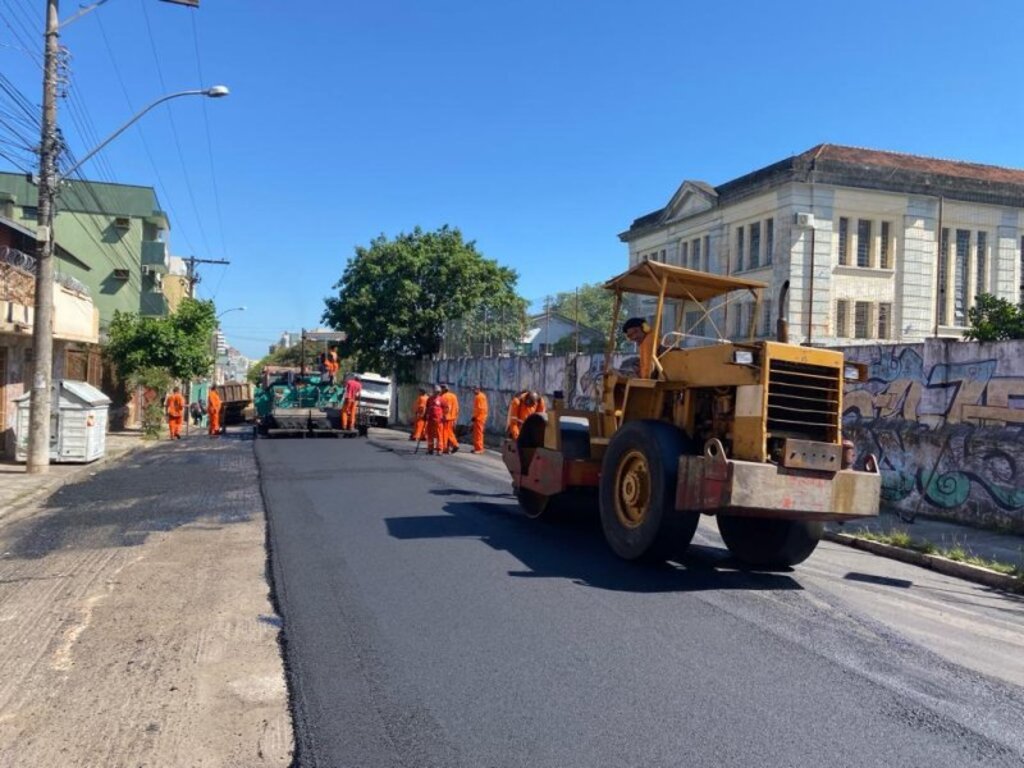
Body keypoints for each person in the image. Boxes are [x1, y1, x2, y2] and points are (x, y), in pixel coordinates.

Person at [440, 383, 460, 454]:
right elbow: (457, 408)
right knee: (449, 432)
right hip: (452, 418)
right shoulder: (454, 396)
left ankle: (452, 445)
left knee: (445, 433)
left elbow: (445, 408)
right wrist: (456, 418)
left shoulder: (443, 396)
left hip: (446, 417)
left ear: (443, 389)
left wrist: (443, 416)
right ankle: (448, 447)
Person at [425, 385, 444, 455]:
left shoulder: (441, 399)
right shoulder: (429, 399)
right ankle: (430, 449)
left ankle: (439, 449)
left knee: (439, 435)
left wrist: (443, 416)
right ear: (433, 391)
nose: (437, 393)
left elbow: (446, 408)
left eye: (438, 392)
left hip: (439, 420)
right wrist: (425, 415)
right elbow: (427, 407)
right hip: (430, 419)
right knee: (430, 434)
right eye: (436, 391)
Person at [471, 385, 488, 453]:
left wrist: (475, 416)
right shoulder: (480, 396)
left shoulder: (479, 397)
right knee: (476, 433)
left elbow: (480, 409)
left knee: (478, 434)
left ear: (478, 389)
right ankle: (477, 447)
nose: (473, 391)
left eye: (474, 390)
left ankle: (479, 449)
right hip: (479, 417)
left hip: (479, 418)